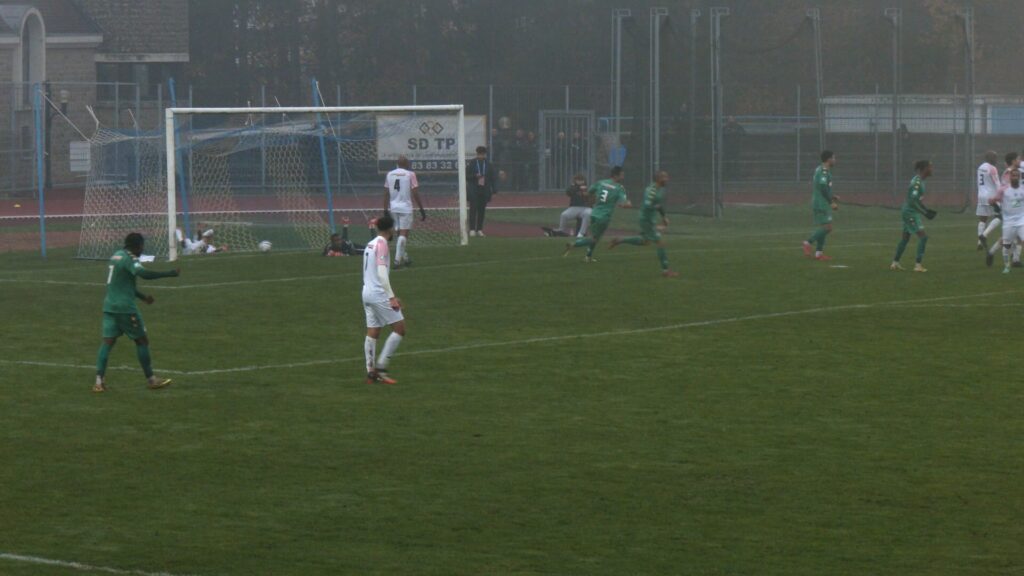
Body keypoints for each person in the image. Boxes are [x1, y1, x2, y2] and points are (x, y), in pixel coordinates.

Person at [93, 232, 180, 393]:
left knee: (107, 342)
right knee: (142, 341)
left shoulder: (116, 256)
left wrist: (143, 297)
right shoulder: (130, 258)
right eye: (142, 246)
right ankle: (151, 379)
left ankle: (99, 382)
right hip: (125, 309)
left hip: (109, 307)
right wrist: (169, 273)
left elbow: (123, 284)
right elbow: (143, 273)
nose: (142, 249)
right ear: (137, 246)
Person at [608, 171, 679, 278]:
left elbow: (658, 205)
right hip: (646, 220)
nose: (667, 179)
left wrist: (664, 217)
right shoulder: (652, 191)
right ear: (658, 179)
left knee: (645, 241)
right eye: (665, 177)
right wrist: (656, 225)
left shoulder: (660, 189)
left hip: (649, 218)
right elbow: (648, 206)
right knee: (660, 242)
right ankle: (665, 271)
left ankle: (620, 240)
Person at [362, 214, 406, 385]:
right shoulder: (382, 244)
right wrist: (392, 297)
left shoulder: (370, 243)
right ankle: (381, 367)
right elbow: (381, 273)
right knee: (400, 328)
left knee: (373, 331)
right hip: (378, 294)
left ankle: (370, 373)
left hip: (366, 292)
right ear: (390, 229)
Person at [564, 166, 631, 262]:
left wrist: (584, 195)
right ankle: (574, 244)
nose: (623, 177)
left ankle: (588, 257)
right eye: (622, 175)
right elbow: (624, 203)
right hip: (604, 216)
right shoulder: (619, 188)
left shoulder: (601, 182)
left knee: (595, 236)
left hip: (594, 213)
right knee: (594, 239)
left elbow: (588, 193)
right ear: (616, 175)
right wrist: (627, 205)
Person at [890, 160, 937, 272]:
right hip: (910, 213)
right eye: (930, 167)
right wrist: (924, 213)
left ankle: (895, 263)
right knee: (923, 237)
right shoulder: (917, 183)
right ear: (924, 169)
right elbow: (912, 201)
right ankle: (918, 265)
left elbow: (916, 200)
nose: (932, 169)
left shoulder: (920, 181)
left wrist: (926, 209)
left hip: (910, 211)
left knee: (905, 238)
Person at [384, 156, 427, 268]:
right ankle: (397, 261)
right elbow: (415, 193)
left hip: (393, 207)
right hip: (406, 208)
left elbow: (386, 192)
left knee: (399, 234)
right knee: (404, 235)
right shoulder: (410, 174)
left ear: (397, 164)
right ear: (407, 164)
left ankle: (405, 257)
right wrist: (421, 209)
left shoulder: (389, 174)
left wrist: (385, 209)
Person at [802, 150, 840, 261]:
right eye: (834, 158)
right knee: (828, 228)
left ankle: (819, 253)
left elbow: (822, 187)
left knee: (824, 227)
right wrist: (831, 202)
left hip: (819, 201)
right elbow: (823, 188)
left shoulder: (820, 169)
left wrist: (832, 196)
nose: (835, 160)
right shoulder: (823, 171)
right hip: (821, 203)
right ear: (828, 159)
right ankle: (807, 243)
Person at [987, 152, 1022, 267]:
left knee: (1013, 236)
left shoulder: (1017, 172)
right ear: (1013, 161)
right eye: (1018, 159)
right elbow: (1006, 190)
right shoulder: (1009, 173)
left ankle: (1015, 259)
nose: (1020, 160)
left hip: (1016, 207)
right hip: (1011, 208)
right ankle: (1014, 259)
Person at [542, 174, 592, 238]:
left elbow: (591, 198)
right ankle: (561, 230)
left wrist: (587, 194)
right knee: (564, 215)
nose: (580, 181)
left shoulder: (588, 188)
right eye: (578, 180)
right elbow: (568, 192)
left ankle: (581, 233)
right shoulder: (572, 187)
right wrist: (576, 186)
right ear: (575, 181)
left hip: (586, 208)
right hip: (574, 207)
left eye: (581, 180)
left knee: (587, 214)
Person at [466, 146, 498, 237]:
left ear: (485, 154)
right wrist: (475, 176)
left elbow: (493, 178)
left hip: (484, 190)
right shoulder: (472, 163)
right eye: (479, 154)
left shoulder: (488, 164)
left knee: (482, 210)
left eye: (483, 154)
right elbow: (466, 176)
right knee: (473, 209)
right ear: (477, 154)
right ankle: (472, 229)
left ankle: (479, 229)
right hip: (474, 189)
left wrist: (494, 190)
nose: (481, 156)